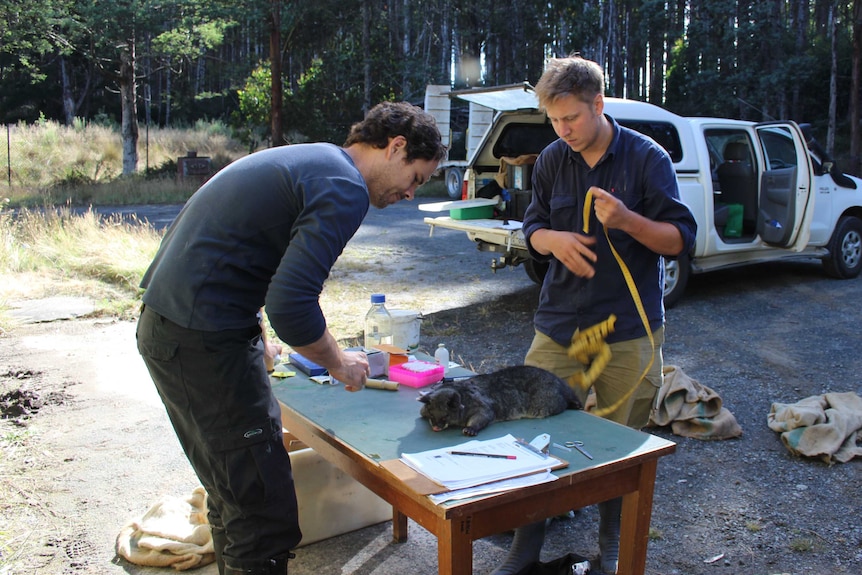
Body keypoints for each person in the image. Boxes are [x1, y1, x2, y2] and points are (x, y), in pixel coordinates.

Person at [135, 101, 447, 575]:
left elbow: (240, 247)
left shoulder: (316, 161)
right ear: (396, 147)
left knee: (234, 494)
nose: (410, 193)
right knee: (261, 512)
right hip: (202, 342)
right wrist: (340, 363)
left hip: (173, 327)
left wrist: (254, 331)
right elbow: (293, 305)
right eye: (417, 178)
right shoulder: (345, 187)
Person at [491, 56, 696, 575]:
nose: (563, 131)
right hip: (559, 326)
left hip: (627, 329)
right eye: (555, 121)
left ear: (598, 105)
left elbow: (678, 241)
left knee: (620, 452)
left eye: (572, 119)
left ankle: (610, 554)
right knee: (530, 438)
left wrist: (628, 220)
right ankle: (524, 549)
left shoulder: (647, 159)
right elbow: (533, 226)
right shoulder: (552, 160)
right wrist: (551, 238)